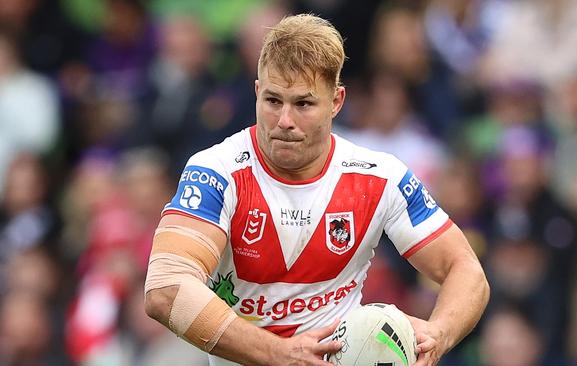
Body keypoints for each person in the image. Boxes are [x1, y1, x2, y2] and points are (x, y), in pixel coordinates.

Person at [144, 14, 489, 366]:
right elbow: (166, 289)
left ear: (337, 101)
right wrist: (278, 354)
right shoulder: (217, 172)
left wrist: (440, 333)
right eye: (273, 101)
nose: (285, 121)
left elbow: (465, 269)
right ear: (257, 91)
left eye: (303, 104)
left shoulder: (380, 177)